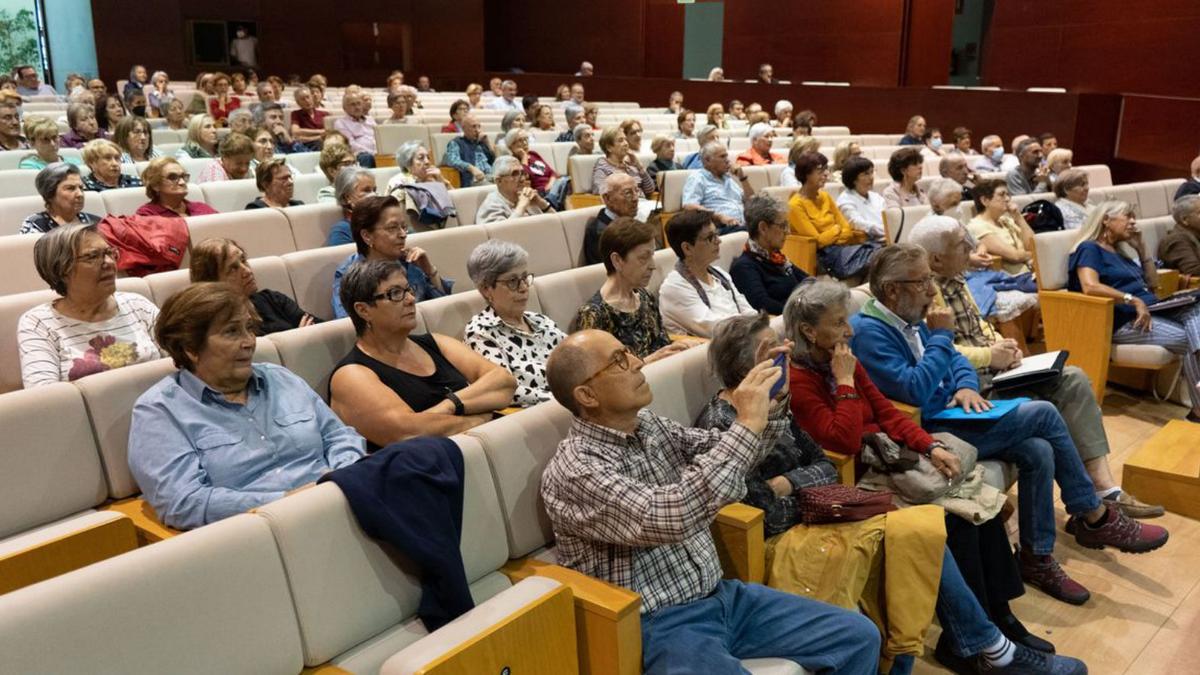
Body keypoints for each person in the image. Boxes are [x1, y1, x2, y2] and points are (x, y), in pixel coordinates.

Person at [772, 290, 1087, 673]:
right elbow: (844, 440)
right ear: (808, 330)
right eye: (838, 323)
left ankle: (999, 620)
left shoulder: (844, 361)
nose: (848, 331)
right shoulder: (803, 379)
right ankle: (978, 647)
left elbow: (888, 413)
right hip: (859, 473)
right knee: (952, 521)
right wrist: (844, 382)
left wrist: (931, 446)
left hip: (893, 459)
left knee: (978, 508)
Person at [540, 328, 880, 675]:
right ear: (586, 394)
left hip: (723, 597)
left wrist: (771, 401)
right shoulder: (575, 470)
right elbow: (672, 515)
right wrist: (746, 423)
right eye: (618, 362)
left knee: (858, 636)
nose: (638, 363)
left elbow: (733, 452)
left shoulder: (649, 426)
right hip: (662, 623)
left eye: (627, 352)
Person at [852, 244, 1170, 605]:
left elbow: (955, 360)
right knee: (1043, 412)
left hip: (953, 413)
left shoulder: (908, 317)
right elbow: (914, 391)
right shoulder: (870, 331)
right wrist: (941, 336)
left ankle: (1036, 558)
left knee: (1037, 448)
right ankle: (1093, 515)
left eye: (929, 278)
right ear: (893, 289)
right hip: (926, 431)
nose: (930, 289)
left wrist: (967, 385)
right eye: (922, 281)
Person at [910, 216, 1163, 519]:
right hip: (971, 383)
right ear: (936, 259)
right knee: (1044, 410)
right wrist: (990, 355)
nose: (970, 247)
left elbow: (980, 327)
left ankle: (1104, 489)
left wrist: (1006, 344)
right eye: (960, 244)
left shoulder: (958, 279)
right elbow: (940, 349)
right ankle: (1090, 507)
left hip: (996, 368)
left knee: (1073, 378)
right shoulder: (923, 293)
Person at [129, 283, 361, 530]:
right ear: (191, 348)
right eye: (232, 332)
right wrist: (287, 502)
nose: (249, 341)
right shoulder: (160, 410)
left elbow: (340, 436)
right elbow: (184, 502)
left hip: (342, 503)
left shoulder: (280, 378)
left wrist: (342, 478)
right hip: (256, 531)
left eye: (250, 329)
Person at [330, 260, 515, 450]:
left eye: (408, 290)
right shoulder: (351, 375)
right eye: (395, 294)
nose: (411, 299)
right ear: (363, 310)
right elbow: (409, 433)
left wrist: (451, 405)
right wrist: (483, 417)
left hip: (482, 448)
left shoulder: (436, 342)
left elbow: (504, 382)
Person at [1072, 201, 1200, 421]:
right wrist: (1132, 300)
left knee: (1196, 305)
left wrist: (1141, 248)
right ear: (1106, 220)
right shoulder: (1090, 248)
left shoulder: (1120, 252)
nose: (1133, 222)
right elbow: (1089, 285)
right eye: (1127, 216)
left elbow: (1152, 284)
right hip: (1121, 319)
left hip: (1152, 309)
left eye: (1134, 217)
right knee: (1188, 337)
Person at [18, 224, 162, 387]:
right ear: (61, 269)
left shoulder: (137, 304)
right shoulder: (39, 323)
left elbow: (183, 357)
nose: (108, 262)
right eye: (92, 257)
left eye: (109, 253)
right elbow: (44, 398)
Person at [462, 240, 565, 407]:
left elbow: (576, 359)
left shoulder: (540, 320)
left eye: (525, 277)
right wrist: (568, 400)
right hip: (541, 415)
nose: (524, 287)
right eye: (512, 281)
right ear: (486, 289)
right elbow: (506, 390)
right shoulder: (481, 332)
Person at [573, 217, 691, 362]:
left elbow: (662, 343)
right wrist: (648, 362)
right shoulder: (594, 314)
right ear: (617, 261)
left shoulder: (644, 296)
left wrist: (681, 346)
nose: (652, 266)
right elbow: (599, 375)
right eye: (643, 258)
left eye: (652, 256)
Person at [332, 195, 451, 318]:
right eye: (392, 228)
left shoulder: (409, 262)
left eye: (404, 227)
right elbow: (348, 324)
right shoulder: (349, 275)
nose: (403, 234)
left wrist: (429, 270)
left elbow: (444, 311)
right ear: (367, 236)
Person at [189, 238, 318, 335]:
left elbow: (317, 327)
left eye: (243, 260)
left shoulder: (272, 299)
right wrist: (298, 336)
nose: (247, 271)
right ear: (212, 281)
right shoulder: (215, 324)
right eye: (233, 268)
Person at [659, 210, 755, 338]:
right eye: (710, 237)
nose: (718, 241)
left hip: (741, 338)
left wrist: (758, 324)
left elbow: (747, 311)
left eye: (717, 234)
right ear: (687, 248)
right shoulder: (675, 287)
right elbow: (715, 329)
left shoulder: (720, 274)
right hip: (713, 351)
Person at [788, 152, 877, 280]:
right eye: (820, 171)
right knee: (880, 259)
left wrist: (833, 234)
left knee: (884, 257)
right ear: (806, 175)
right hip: (823, 256)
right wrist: (836, 229)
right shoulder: (795, 205)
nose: (825, 175)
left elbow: (847, 230)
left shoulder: (824, 196)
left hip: (842, 248)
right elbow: (818, 242)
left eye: (826, 170)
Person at [730, 195, 808, 314]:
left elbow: (808, 280)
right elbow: (764, 306)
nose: (788, 232)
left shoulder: (776, 256)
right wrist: (804, 309)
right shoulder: (743, 267)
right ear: (763, 228)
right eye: (782, 226)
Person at [682, 143, 757, 233]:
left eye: (727, 156)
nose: (728, 161)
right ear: (707, 160)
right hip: (720, 228)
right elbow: (689, 207)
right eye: (722, 157)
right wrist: (719, 217)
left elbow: (752, 201)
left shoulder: (728, 178)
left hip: (743, 224)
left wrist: (742, 178)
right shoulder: (698, 177)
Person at [968, 179, 1035, 275]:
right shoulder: (977, 226)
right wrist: (1031, 254)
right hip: (1011, 279)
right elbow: (1014, 256)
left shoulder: (1006, 220)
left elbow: (1033, 245)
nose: (1008, 199)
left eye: (1008, 194)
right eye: (1002, 195)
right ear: (985, 201)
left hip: (1030, 273)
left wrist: (1019, 217)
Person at [19, 163, 102, 234]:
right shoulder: (36, 224)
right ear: (50, 194)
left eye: (81, 188)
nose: (80, 194)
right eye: (70, 188)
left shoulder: (95, 222)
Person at [476, 156, 554, 223]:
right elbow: (501, 236)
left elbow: (556, 226)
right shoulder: (491, 206)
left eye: (523, 173)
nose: (523, 179)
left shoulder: (527, 198)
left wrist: (542, 204)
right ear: (499, 181)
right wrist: (521, 206)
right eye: (515, 174)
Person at [135, 156, 220, 218]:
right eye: (173, 177)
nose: (182, 182)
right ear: (155, 185)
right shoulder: (147, 215)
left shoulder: (202, 208)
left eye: (183, 176)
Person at [583, 173, 639, 265]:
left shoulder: (632, 221)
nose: (635, 198)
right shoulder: (600, 232)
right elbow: (610, 272)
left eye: (637, 191)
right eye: (628, 193)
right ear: (607, 198)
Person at [507, 127, 568, 206]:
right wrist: (524, 157)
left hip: (551, 188)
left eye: (526, 139)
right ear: (511, 145)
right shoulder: (512, 162)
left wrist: (550, 186)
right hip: (539, 193)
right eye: (520, 140)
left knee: (565, 181)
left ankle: (551, 199)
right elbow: (526, 178)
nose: (525, 143)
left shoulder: (533, 154)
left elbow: (552, 172)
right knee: (565, 182)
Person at [591, 127, 655, 198]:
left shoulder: (631, 166)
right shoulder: (602, 167)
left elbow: (650, 190)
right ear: (609, 147)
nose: (626, 144)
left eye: (625, 140)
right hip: (622, 207)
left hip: (642, 203)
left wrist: (639, 165)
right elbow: (599, 191)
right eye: (620, 140)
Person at [834, 156, 887, 242]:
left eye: (871, 172)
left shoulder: (876, 197)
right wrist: (888, 231)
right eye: (866, 174)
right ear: (853, 179)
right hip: (867, 244)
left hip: (887, 239)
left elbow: (889, 218)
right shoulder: (845, 201)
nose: (871, 177)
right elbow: (859, 224)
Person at [325, 166, 377, 246]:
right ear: (347, 197)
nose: (374, 195)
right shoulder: (342, 231)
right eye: (366, 190)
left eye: (374, 190)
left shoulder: (382, 221)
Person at [441, 113, 494, 187]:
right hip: (475, 180)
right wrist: (471, 168)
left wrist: (488, 143)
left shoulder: (482, 143)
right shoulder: (457, 142)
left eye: (479, 126)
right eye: (473, 126)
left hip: (491, 177)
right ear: (464, 128)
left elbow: (494, 161)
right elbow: (452, 160)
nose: (478, 130)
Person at [333, 92, 377, 166]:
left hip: (378, 153)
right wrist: (372, 153)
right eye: (353, 104)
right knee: (366, 157)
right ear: (345, 108)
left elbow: (379, 138)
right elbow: (351, 145)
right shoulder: (340, 123)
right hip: (358, 155)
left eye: (359, 103)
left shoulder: (370, 119)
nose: (357, 107)